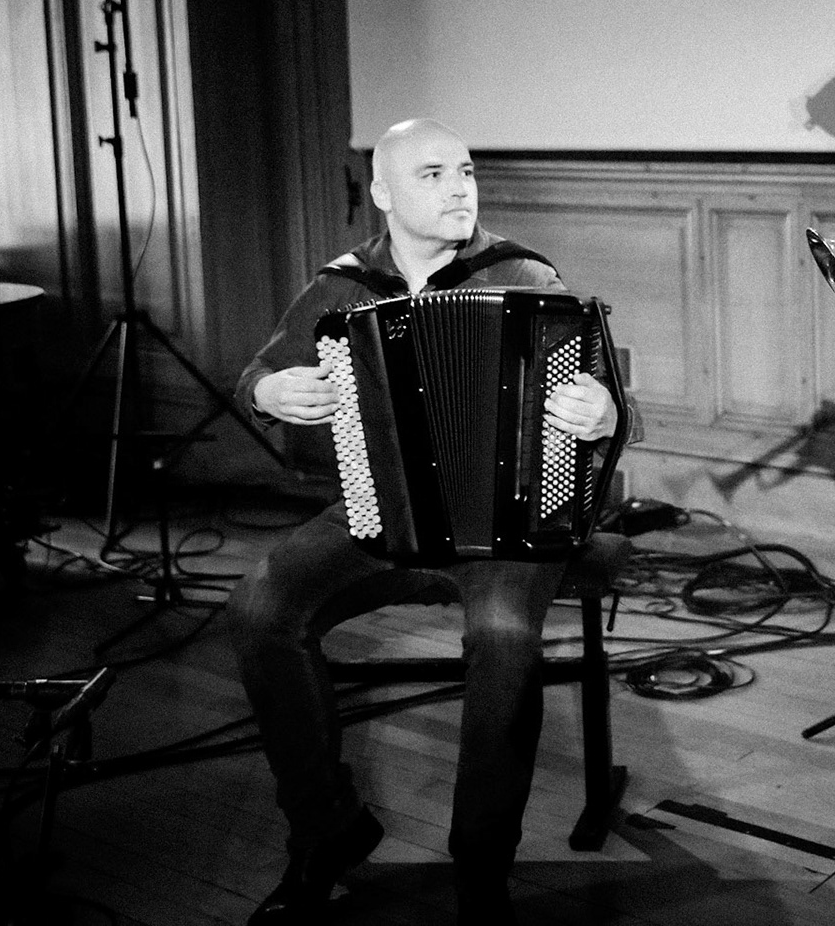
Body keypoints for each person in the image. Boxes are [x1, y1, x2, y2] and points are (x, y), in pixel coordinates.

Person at [227, 118, 626, 926]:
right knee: (260, 610)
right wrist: (269, 394)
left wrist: (600, 410)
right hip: (382, 511)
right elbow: (260, 371)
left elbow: (614, 405)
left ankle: (483, 865)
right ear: (381, 194)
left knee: (505, 638)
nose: (458, 190)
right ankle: (326, 830)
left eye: (467, 173)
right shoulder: (343, 287)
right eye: (433, 175)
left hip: (511, 522)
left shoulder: (522, 274)